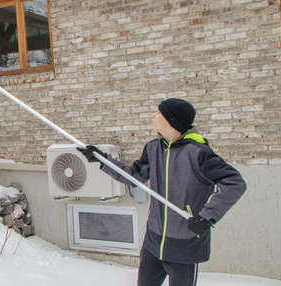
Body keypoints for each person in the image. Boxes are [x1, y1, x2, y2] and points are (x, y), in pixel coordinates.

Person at [78, 98, 246, 286]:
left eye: (158, 112)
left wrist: (207, 217)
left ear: (171, 121)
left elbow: (235, 183)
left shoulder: (198, 153)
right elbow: (134, 176)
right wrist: (103, 160)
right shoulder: (153, 148)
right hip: (154, 242)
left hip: (184, 244)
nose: (153, 115)